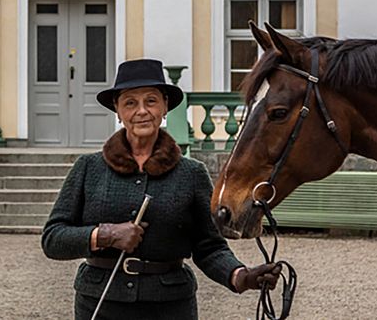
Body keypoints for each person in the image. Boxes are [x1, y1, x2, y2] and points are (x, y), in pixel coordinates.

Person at [41, 58, 281, 320]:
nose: (141, 110)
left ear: (165, 107)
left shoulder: (191, 173)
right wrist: (105, 234)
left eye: (151, 101)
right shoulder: (88, 168)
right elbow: (53, 239)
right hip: (99, 303)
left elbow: (209, 246)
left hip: (171, 305)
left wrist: (241, 276)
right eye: (130, 102)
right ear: (118, 111)